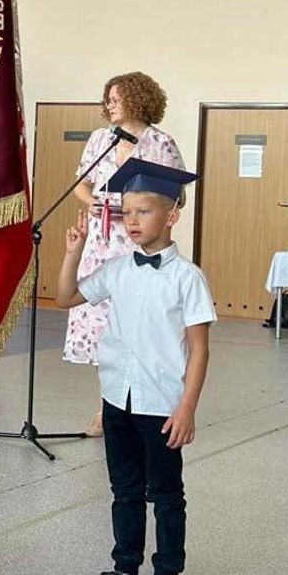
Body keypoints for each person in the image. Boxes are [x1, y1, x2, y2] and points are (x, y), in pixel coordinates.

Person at [56, 159, 215, 575]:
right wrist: (73, 253)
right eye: (127, 212)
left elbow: (199, 350)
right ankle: (125, 567)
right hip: (116, 397)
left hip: (161, 403)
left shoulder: (188, 278)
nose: (132, 221)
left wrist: (187, 408)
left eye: (143, 211)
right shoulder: (118, 269)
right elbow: (66, 297)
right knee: (124, 491)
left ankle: (166, 572)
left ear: (172, 216)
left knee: (165, 495)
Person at [65, 72, 185, 436]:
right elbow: (80, 186)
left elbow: (178, 197)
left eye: (116, 99)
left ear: (137, 99)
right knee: (102, 329)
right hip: (101, 246)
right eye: (108, 100)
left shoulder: (161, 143)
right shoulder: (100, 139)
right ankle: (108, 410)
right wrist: (98, 202)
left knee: (138, 324)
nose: (110, 106)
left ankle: (146, 404)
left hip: (140, 244)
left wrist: (141, 206)